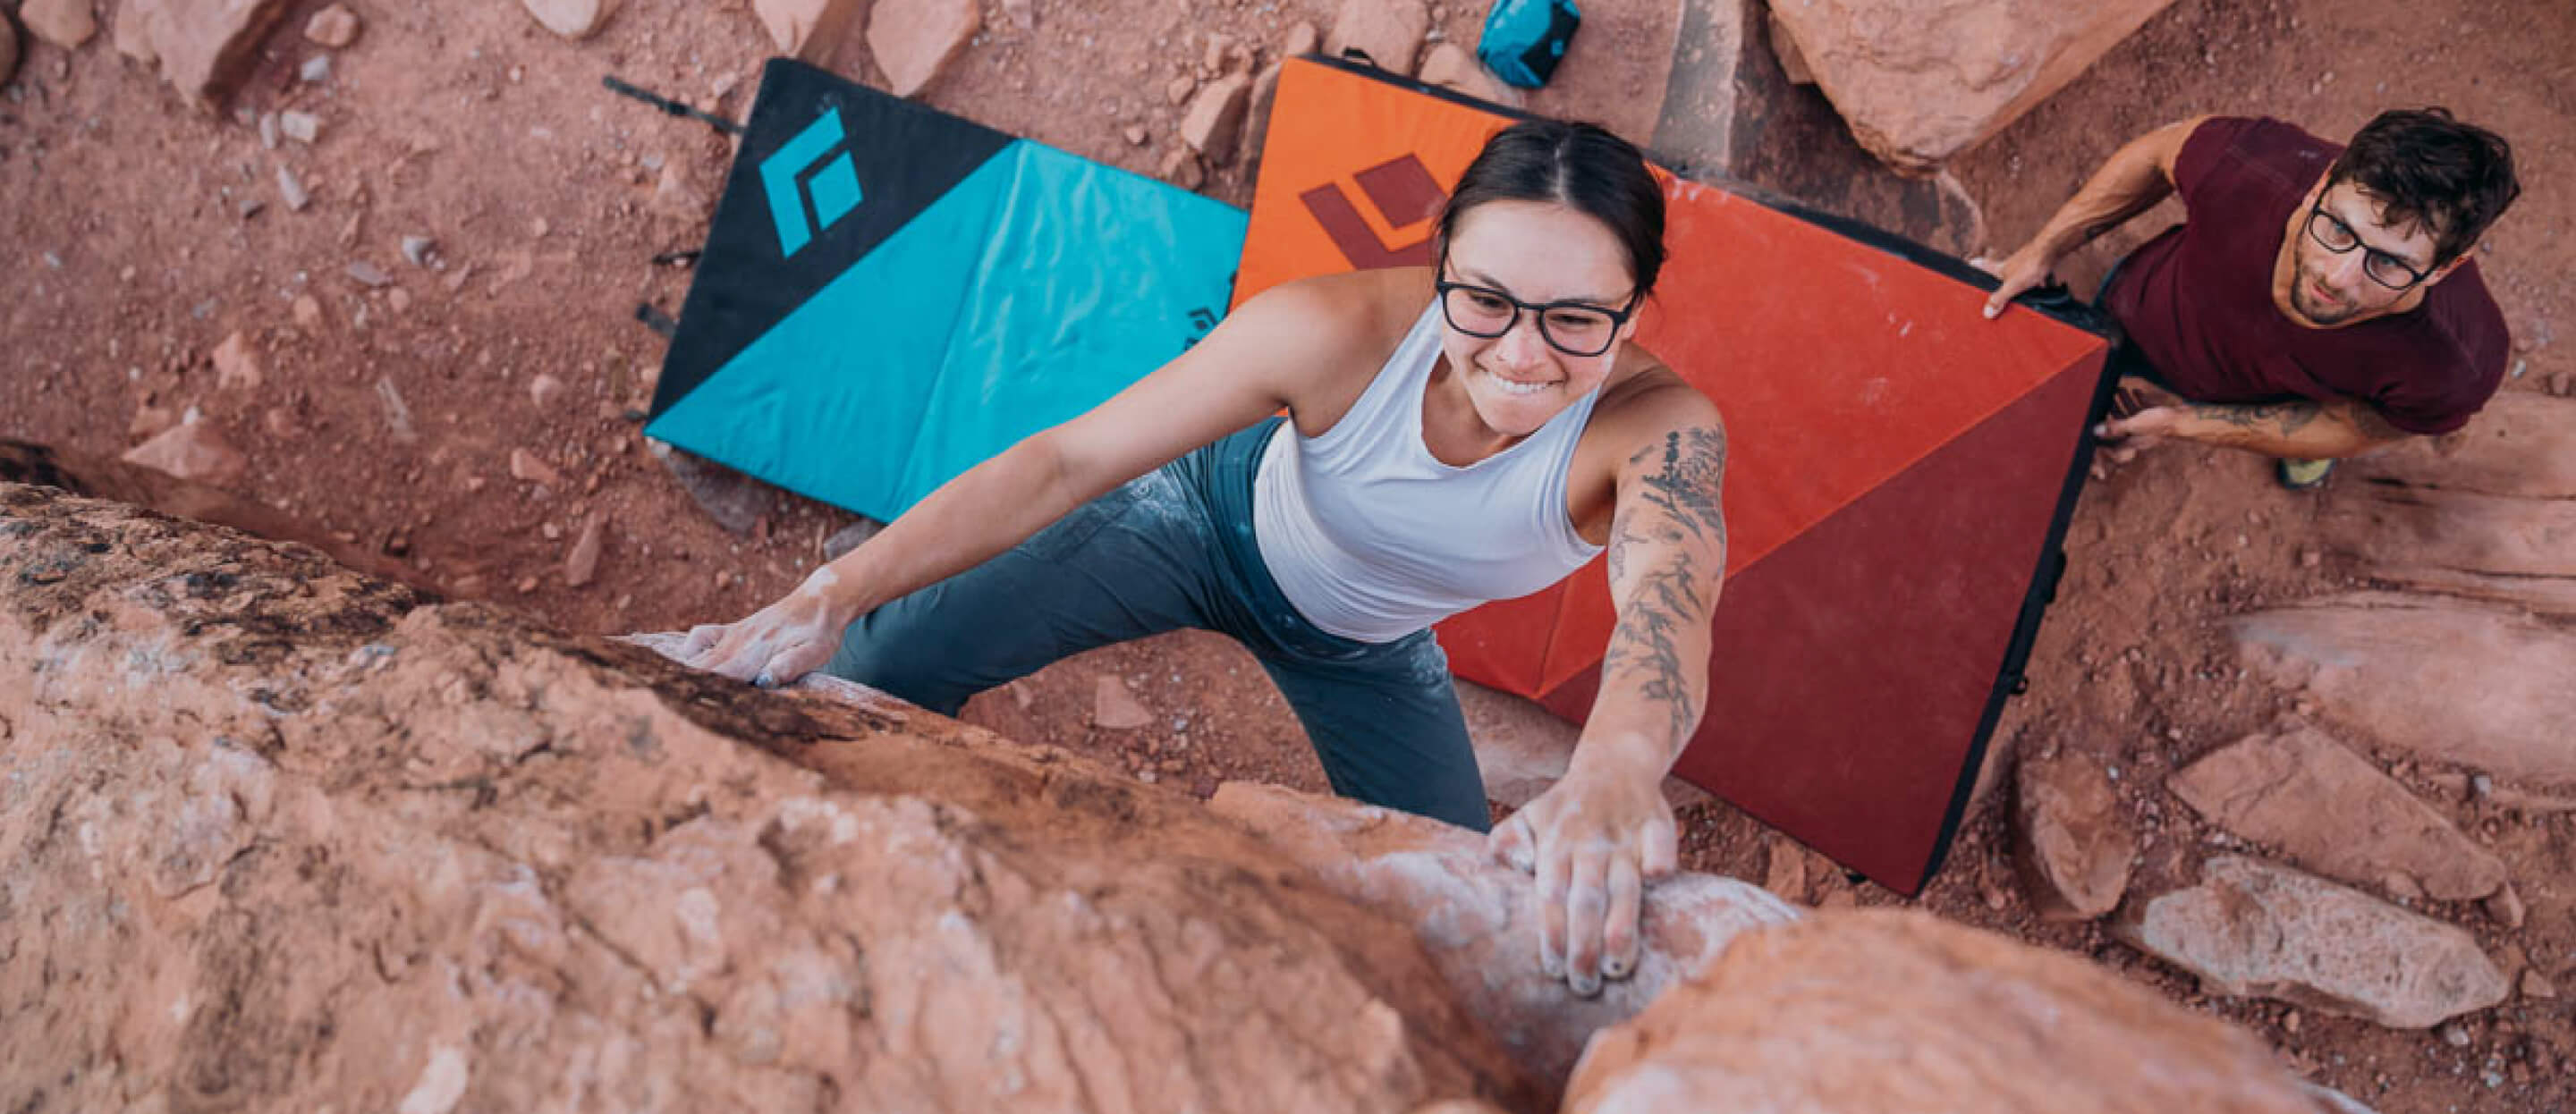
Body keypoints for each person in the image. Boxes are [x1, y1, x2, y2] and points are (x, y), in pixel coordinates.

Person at [676, 120, 1729, 998]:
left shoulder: (1658, 429)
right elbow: (1066, 460)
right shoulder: (1335, 329)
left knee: (1474, 924)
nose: (1522, 353)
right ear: (1441, 258)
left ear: (1635, 309)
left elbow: (1668, 608)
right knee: (862, 668)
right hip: (1196, 526)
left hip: (1365, 646)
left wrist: (1615, 769)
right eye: (1486, 299)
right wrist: (833, 588)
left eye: (1579, 319)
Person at [1979, 108, 2519, 488]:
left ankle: (2303, 459)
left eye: (2388, 263)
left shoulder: (2457, 365)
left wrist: (2183, 424)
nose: (2337, 276)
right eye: (2336, 228)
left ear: (2445, 268)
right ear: (2321, 185)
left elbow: (2362, 426)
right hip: (2132, 310)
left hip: (2269, 396)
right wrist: (2042, 249)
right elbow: (2159, 154)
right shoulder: (2252, 163)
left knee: (2322, 437)